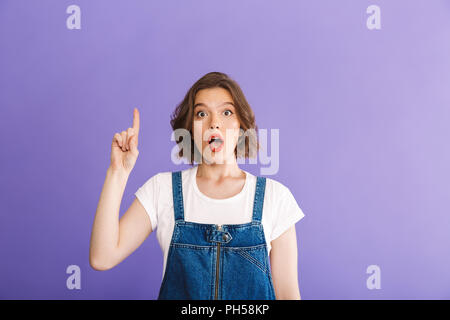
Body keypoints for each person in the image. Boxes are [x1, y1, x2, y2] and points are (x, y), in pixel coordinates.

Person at [89, 72, 305, 300]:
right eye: (202, 113)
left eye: (226, 112)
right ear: (190, 129)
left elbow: (288, 295)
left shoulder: (275, 197)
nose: (214, 123)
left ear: (241, 124)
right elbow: (102, 257)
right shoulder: (161, 190)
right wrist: (117, 172)